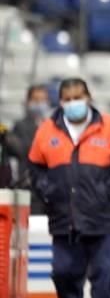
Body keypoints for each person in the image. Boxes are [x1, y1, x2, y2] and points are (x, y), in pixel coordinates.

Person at [27, 78, 110, 298]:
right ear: (61, 102)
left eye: (78, 96)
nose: (74, 102)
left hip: (102, 217)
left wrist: (106, 190)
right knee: (63, 272)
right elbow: (35, 168)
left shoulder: (109, 126)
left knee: (103, 277)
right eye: (68, 98)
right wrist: (48, 190)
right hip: (64, 217)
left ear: (88, 97)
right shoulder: (46, 130)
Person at [5, 84, 51, 214]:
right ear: (28, 102)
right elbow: (21, 151)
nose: (39, 104)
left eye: (43, 100)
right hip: (30, 190)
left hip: (52, 192)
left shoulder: (54, 125)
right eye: (36, 100)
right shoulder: (20, 126)